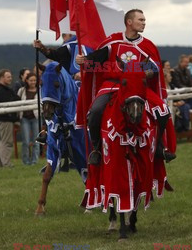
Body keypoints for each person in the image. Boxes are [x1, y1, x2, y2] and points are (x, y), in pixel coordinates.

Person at [75, 9, 176, 165]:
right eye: (140, 20)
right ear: (129, 22)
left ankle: (158, 147)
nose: (144, 23)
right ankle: (97, 149)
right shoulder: (114, 41)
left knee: (162, 111)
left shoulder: (147, 45)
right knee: (95, 112)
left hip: (136, 86)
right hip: (112, 85)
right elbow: (97, 58)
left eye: (144, 20)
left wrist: (142, 74)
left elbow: (154, 69)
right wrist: (85, 60)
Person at [0, 69, 20, 168]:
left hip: (7, 119)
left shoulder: (6, 89)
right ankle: (6, 164)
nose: (10, 79)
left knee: (3, 141)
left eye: (11, 76)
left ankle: (0, 164)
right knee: (7, 142)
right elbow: (10, 100)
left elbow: (16, 98)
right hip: (5, 119)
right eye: (8, 77)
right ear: (1, 78)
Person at [17, 73, 39, 165]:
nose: (33, 82)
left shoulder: (40, 90)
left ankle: (34, 160)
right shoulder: (22, 91)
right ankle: (25, 161)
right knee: (25, 141)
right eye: (31, 80)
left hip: (36, 117)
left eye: (34, 80)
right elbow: (17, 102)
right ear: (26, 81)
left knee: (36, 140)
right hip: (25, 118)